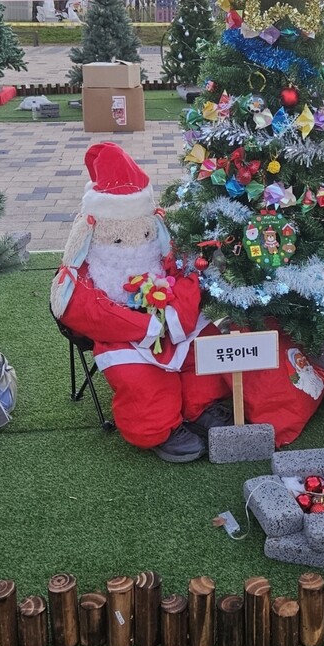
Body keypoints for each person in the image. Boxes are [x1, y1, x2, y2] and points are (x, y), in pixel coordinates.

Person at [50, 142, 232, 461]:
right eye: (120, 238)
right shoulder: (86, 259)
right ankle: (160, 429)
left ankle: (200, 406)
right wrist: (145, 326)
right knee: (140, 376)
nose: (134, 244)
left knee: (206, 342)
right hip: (120, 328)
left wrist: (172, 317)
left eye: (145, 235)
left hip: (166, 312)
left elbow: (186, 273)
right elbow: (80, 307)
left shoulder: (159, 239)